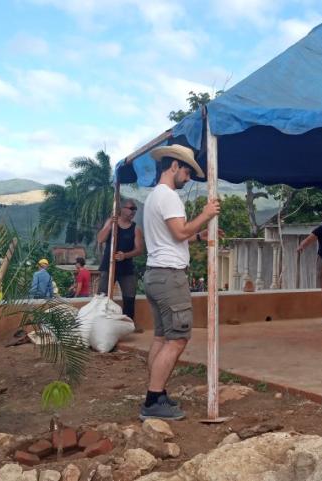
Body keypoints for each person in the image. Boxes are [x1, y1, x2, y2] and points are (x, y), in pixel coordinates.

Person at [141, 144, 220, 420]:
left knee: (162, 337)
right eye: (187, 171)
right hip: (170, 276)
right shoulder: (169, 196)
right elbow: (179, 232)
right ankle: (153, 400)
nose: (188, 177)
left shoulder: (153, 197)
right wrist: (206, 214)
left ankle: (156, 393)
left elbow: (173, 235)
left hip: (155, 273)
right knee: (178, 339)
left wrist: (198, 236)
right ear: (174, 166)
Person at [97, 198, 144, 321]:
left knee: (129, 298)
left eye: (135, 209)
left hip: (127, 269)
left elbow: (139, 250)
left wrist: (125, 255)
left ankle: (128, 325)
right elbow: (100, 239)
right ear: (122, 209)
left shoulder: (135, 229)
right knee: (102, 296)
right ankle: (100, 322)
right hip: (109, 266)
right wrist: (110, 226)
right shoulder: (111, 222)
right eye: (131, 208)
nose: (133, 211)